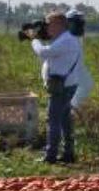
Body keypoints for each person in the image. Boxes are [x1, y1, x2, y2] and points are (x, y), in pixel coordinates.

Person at [31, 12, 83, 164]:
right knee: (65, 120)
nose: (46, 27)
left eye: (48, 24)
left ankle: (51, 155)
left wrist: (34, 40)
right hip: (66, 85)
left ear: (58, 24)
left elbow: (44, 52)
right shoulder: (66, 39)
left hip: (61, 87)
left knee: (53, 120)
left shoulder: (66, 40)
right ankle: (68, 153)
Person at [66, 9, 95, 110]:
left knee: (86, 84)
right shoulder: (66, 36)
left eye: (81, 19)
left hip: (78, 66)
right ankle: (71, 107)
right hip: (71, 67)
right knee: (86, 84)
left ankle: (71, 107)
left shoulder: (77, 35)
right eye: (77, 19)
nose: (81, 22)